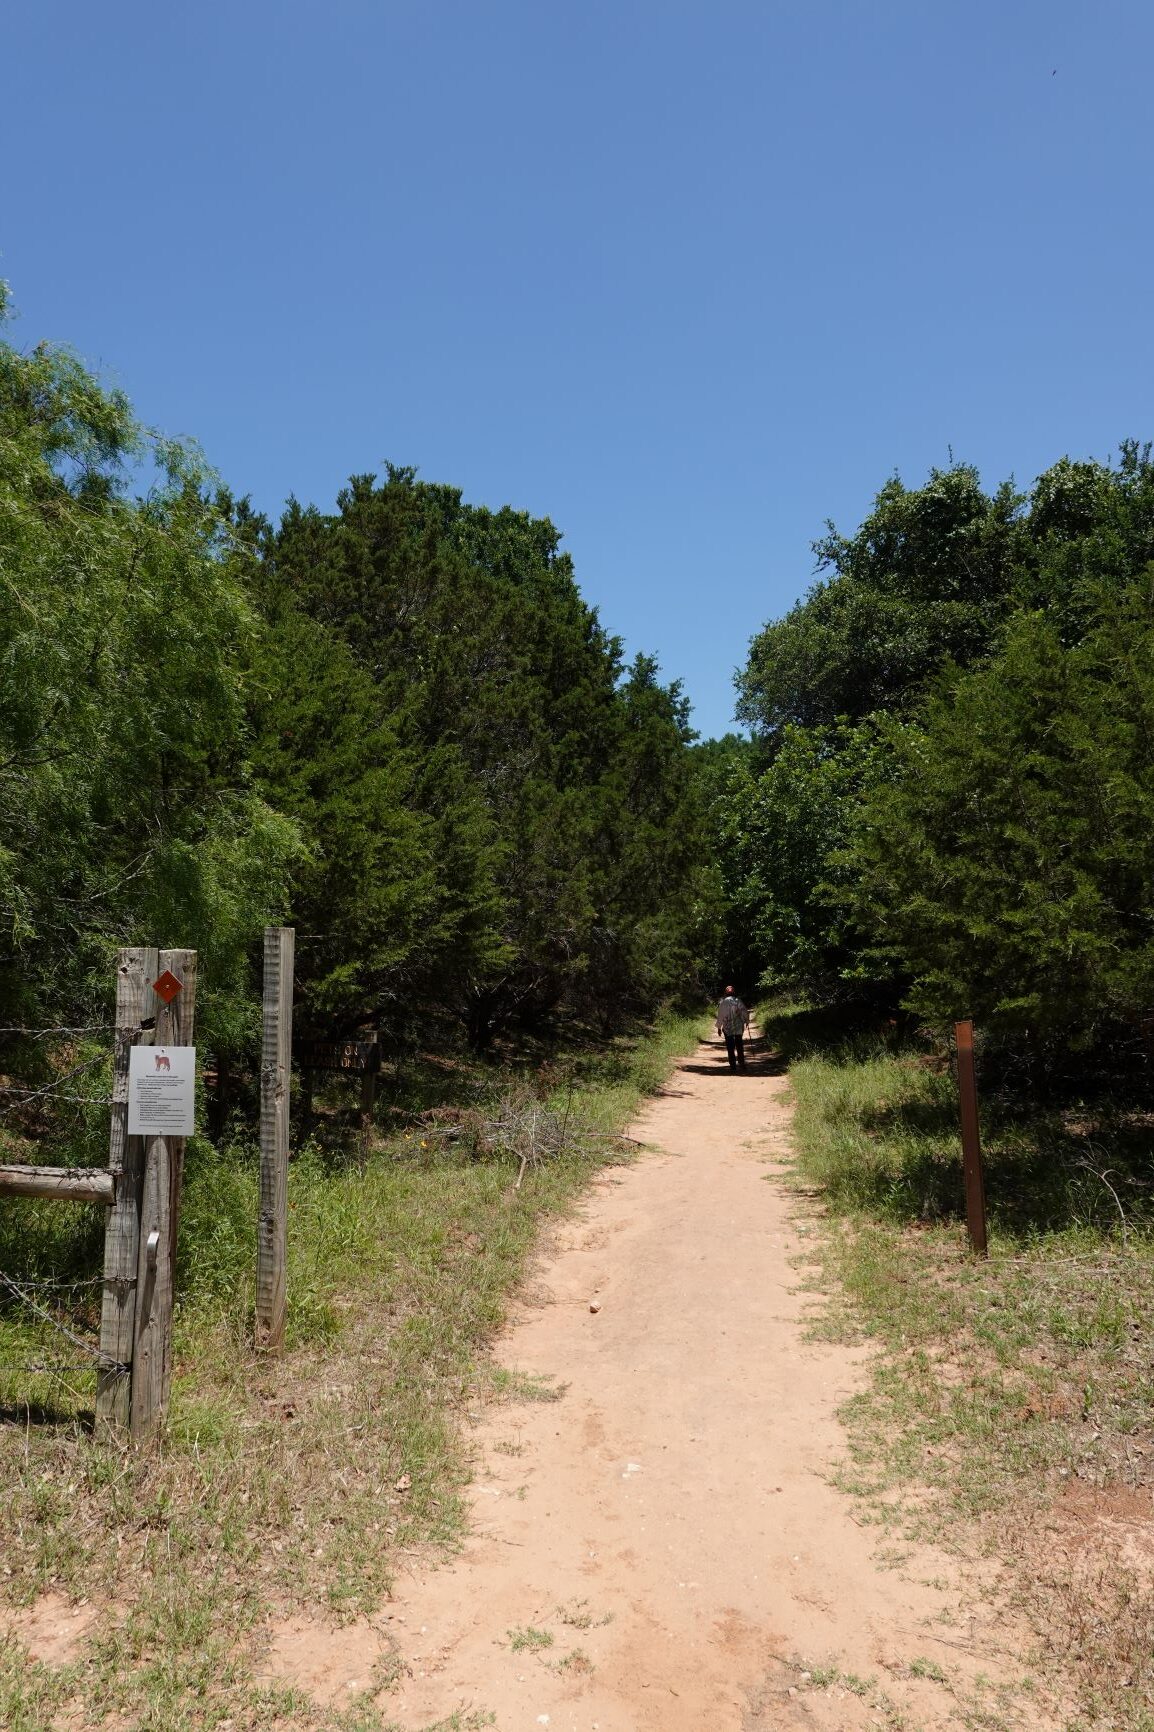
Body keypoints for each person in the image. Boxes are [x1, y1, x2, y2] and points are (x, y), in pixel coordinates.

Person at [716, 985, 750, 1072]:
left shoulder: (723, 1003)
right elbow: (744, 1011)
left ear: (726, 993)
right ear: (733, 993)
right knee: (739, 1045)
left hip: (728, 1028)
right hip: (738, 1027)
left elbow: (720, 1015)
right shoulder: (738, 1001)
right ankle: (741, 1064)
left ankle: (733, 1066)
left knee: (730, 1047)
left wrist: (719, 1028)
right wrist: (746, 1021)